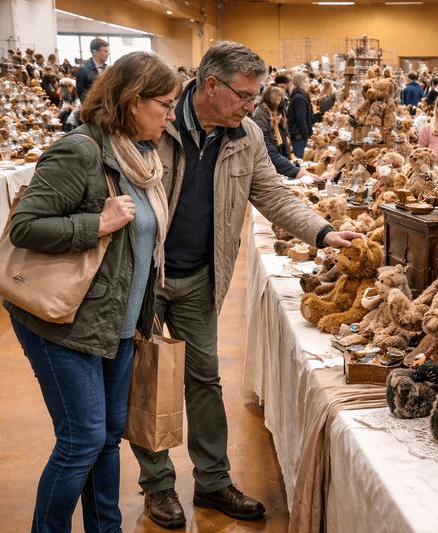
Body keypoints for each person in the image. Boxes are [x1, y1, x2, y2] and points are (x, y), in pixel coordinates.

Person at [135, 41, 360, 529]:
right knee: (151, 377)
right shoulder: (157, 122)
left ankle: (213, 481)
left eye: (257, 97)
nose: (251, 105)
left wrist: (323, 232)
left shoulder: (247, 135)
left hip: (198, 275)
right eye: (245, 95)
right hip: (143, 277)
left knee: (204, 379)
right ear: (210, 85)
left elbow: (272, 195)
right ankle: (157, 486)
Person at [6, 51, 177, 533]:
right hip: (63, 322)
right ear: (131, 100)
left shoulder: (141, 157)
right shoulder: (80, 150)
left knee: (105, 438)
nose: (168, 114)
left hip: (115, 326)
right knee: (80, 440)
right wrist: (96, 223)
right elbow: (25, 226)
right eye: (163, 104)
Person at [252, 84, 318, 179]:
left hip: (278, 162)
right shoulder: (261, 114)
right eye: (277, 97)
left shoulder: (276, 111)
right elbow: (268, 150)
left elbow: (282, 134)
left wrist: (285, 134)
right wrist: (296, 172)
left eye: (280, 97)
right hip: (268, 168)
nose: (278, 100)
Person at [287, 72, 314, 159]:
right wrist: (306, 135)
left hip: (299, 135)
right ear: (302, 82)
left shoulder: (299, 96)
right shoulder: (299, 97)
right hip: (299, 136)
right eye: (307, 81)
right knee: (300, 160)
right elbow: (301, 119)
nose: (309, 84)